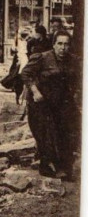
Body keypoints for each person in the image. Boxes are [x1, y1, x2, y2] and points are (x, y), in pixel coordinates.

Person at [21, 30, 80, 179]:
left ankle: (65, 167)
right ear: (54, 44)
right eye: (59, 43)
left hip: (62, 102)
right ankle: (48, 166)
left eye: (66, 44)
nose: (63, 48)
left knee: (69, 132)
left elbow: (77, 80)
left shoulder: (73, 60)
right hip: (42, 103)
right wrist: (35, 91)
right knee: (47, 135)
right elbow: (26, 74)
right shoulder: (43, 58)